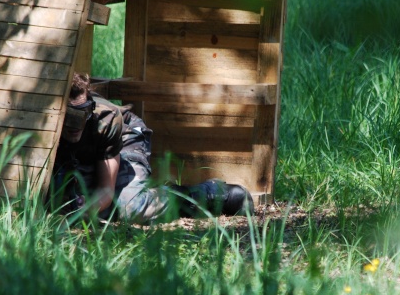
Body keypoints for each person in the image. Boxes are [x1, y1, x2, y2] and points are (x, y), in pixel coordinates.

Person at [50, 72, 254, 224]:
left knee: (130, 207)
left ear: (90, 107)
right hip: (82, 156)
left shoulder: (106, 120)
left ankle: (208, 194)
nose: (75, 125)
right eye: (69, 117)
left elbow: (106, 190)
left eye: (83, 113)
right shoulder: (44, 120)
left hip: (125, 138)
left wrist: (90, 207)